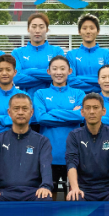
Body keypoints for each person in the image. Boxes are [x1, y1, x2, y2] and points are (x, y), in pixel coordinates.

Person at [0, 93, 54, 201]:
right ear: (9, 112)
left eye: (25, 109)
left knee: (45, 198)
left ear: (31, 112)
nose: (20, 112)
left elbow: (46, 167)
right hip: (4, 192)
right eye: (16, 109)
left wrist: (45, 186)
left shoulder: (42, 141)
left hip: (32, 192)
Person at [33, 55, 84, 191]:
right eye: (54, 69)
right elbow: (41, 118)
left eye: (62, 68)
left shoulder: (79, 93)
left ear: (70, 71)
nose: (59, 72)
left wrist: (52, 112)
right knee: (49, 194)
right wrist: (70, 114)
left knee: (73, 194)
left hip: (74, 153)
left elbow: (80, 117)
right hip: (49, 154)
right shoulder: (40, 94)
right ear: (48, 71)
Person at [65, 93, 109, 201]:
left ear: (103, 111)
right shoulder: (74, 136)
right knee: (74, 198)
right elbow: (71, 162)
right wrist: (75, 188)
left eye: (95, 107)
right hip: (83, 190)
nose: (92, 112)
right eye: (87, 108)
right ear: (82, 112)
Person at [13, 12, 64, 96]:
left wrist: (29, 71)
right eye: (34, 27)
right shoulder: (18, 53)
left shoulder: (57, 51)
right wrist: (47, 77)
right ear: (28, 29)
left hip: (52, 100)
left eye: (41, 27)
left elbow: (60, 76)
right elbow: (16, 79)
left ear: (47, 29)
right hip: (27, 101)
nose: (37, 30)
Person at [66, 14, 109, 92]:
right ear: (79, 31)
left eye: (92, 28)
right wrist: (97, 86)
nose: (88, 32)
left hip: (102, 98)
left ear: (98, 31)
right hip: (79, 97)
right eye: (84, 28)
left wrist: (79, 78)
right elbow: (71, 80)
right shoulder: (71, 55)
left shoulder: (107, 54)